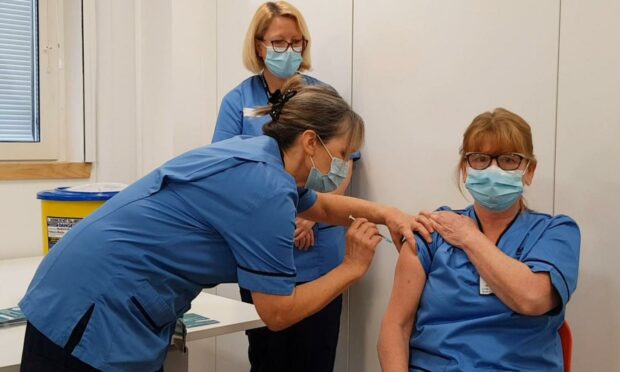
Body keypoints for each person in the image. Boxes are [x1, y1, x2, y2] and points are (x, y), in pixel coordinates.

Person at [19, 77, 426, 372]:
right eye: (342, 153)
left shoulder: (262, 156)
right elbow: (277, 313)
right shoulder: (265, 188)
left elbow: (320, 206)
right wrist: (352, 268)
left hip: (84, 285)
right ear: (309, 142)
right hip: (93, 307)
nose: (344, 166)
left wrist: (386, 213)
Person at [212, 2, 357, 371]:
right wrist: (280, 220)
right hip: (262, 249)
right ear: (259, 45)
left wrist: (311, 217)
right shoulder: (238, 101)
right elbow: (228, 175)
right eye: (279, 42)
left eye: (297, 42)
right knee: (268, 359)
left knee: (316, 358)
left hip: (320, 252)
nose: (289, 50)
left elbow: (344, 163)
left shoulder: (323, 97)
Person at [378, 108, 580, 372]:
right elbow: (396, 326)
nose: (493, 169)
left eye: (508, 160)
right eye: (481, 159)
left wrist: (469, 237)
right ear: (465, 168)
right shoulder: (432, 232)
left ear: (529, 170)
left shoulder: (556, 232)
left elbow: (532, 299)